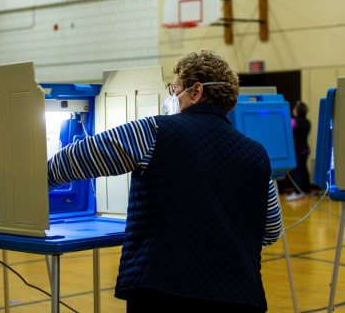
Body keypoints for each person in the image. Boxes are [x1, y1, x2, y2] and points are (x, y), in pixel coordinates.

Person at [48, 50, 281, 312]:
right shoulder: (257, 153)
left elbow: (79, 157)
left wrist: (35, 185)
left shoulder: (155, 131)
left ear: (196, 91)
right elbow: (272, 230)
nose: (171, 97)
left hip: (165, 290)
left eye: (175, 89)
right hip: (239, 295)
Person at [286, 101, 311, 201]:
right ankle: (306, 190)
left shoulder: (294, 121)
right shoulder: (307, 122)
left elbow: (287, 132)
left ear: (296, 111)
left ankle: (297, 192)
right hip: (305, 149)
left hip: (297, 150)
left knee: (297, 171)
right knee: (304, 170)